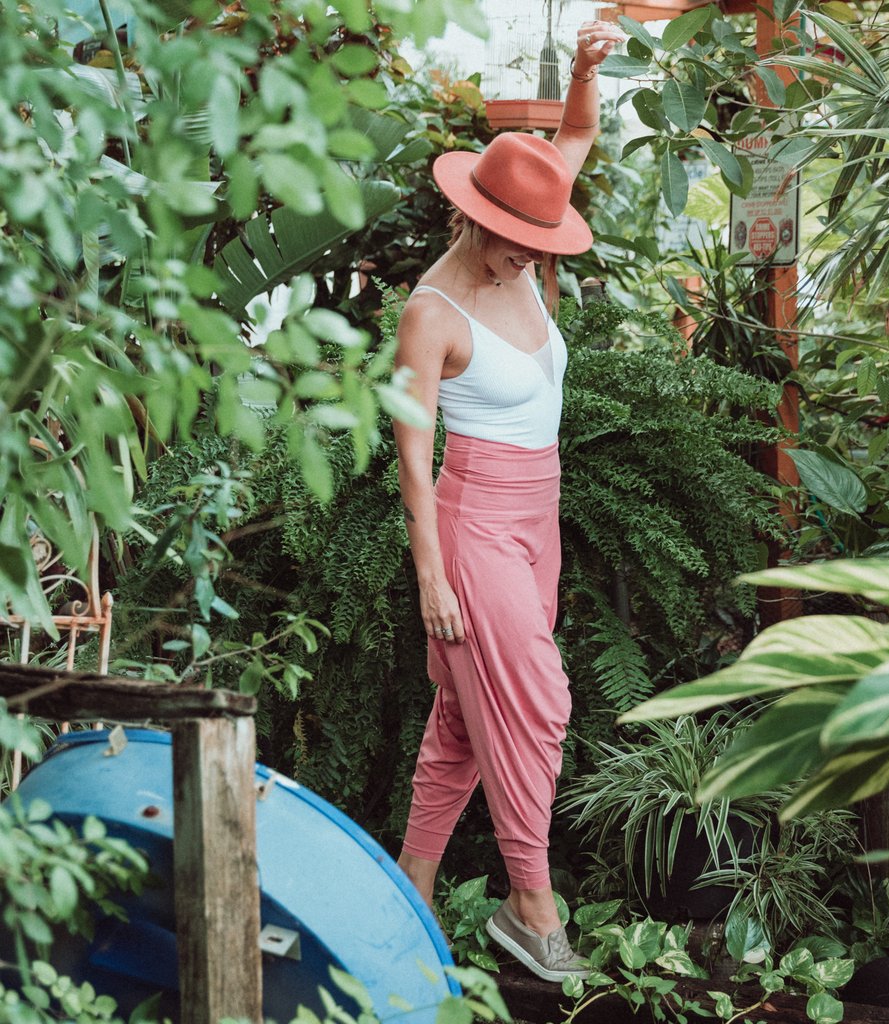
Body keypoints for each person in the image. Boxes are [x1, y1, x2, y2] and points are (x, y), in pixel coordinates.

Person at [393, 20, 626, 983]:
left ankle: (408, 890)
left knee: (463, 716)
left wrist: (581, 72)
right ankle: (532, 906)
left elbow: (570, 148)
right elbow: (409, 456)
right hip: (473, 519)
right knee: (538, 702)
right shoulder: (432, 313)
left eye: (541, 243)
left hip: (539, 516)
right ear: (477, 218)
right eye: (516, 244)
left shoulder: (527, 252)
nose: (531, 257)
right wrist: (432, 579)